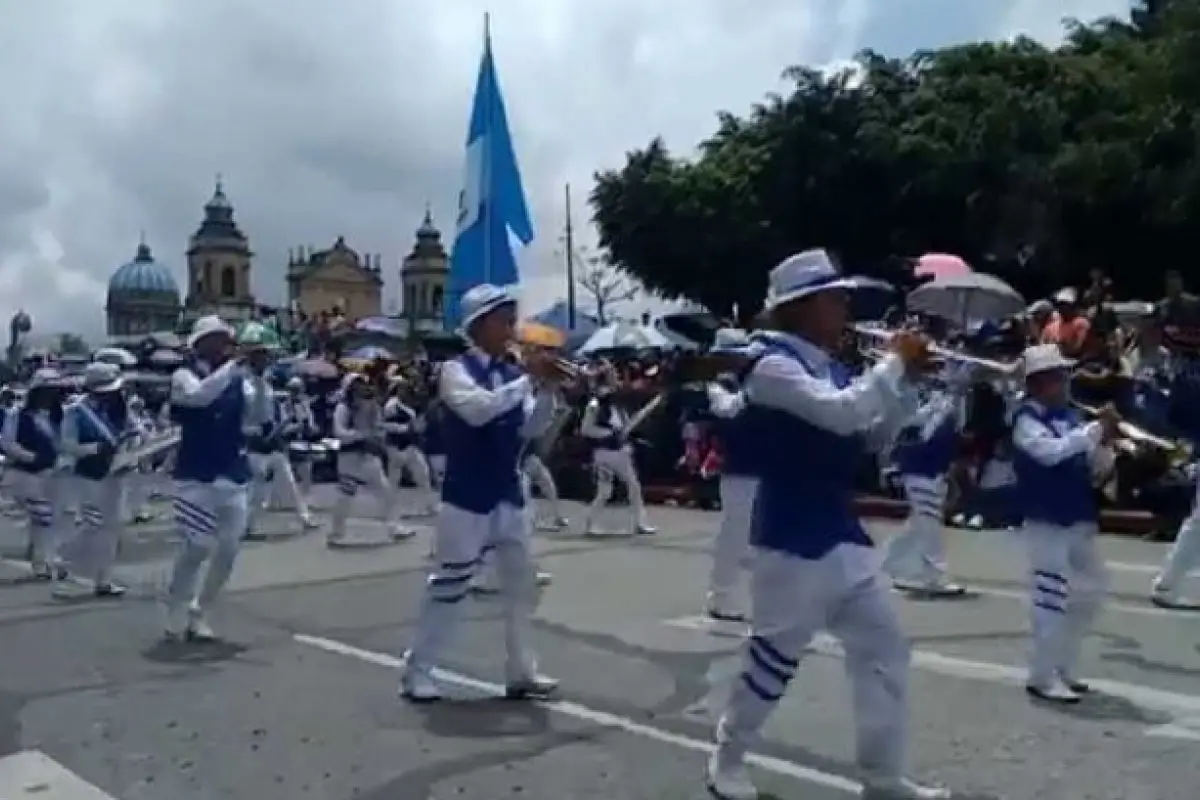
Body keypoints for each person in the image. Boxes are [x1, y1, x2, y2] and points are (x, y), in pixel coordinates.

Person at [706, 250, 948, 800]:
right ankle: (728, 755)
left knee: (885, 651)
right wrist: (890, 366)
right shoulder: (769, 366)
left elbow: (871, 436)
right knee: (773, 662)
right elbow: (840, 412)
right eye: (834, 297)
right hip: (789, 540)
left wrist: (906, 381)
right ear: (800, 307)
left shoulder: (833, 367)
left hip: (842, 534)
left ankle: (883, 779)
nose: (845, 306)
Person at [400, 284, 566, 702]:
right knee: (451, 584)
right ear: (478, 325)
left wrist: (549, 392)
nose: (512, 328)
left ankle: (521, 670)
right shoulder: (454, 371)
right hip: (466, 494)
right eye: (504, 320)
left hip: (509, 493)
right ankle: (418, 669)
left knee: (522, 585)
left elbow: (530, 430)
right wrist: (530, 379)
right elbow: (478, 411)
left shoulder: (513, 375)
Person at [1011, 344, 1117, 701]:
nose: (1066, 382)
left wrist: (1106, 442)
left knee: (1092, 590)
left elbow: (1096, 469)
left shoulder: (1071, 417)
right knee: (1050, 597)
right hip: (1045, 518)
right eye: (1059, 376)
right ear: (1041, 382)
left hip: (1077, 516)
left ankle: (1064, 664)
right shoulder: (1026, 419)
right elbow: (1049, 454)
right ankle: (1041, 675)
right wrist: (1091, 432)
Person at [162, 316, 265, 641]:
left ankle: (200, 611)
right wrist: (236, 367)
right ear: (200, 344)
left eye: (226, 339)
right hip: (195, 476)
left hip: (232, 474)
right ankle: (176, 607)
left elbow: (256, 420)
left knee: (229, 549)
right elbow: (199, 398)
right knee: (196, 546)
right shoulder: (183, 376)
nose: (224, 344)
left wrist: (261, 380)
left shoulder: (239, 380)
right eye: (216, 338)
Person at [883, 361, 973, 597]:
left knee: (917, 525)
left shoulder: (948, 402)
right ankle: (935, 577)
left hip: (934, 468)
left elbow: (958, 427)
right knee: (930, 525)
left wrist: (958, 392)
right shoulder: (917, 399)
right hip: (918, 467)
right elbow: (924, 429)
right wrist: (949, 395)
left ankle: (888, 566)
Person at [54, 362, 134, 599]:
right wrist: (96, 448)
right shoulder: (76, 411)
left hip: (116, 473)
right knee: (93, 525)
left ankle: (104, 580)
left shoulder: (121, 408)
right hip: (88, 475)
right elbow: (67, 445)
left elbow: (133, 431)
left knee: (112, 528)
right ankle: (64, 560)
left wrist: (131, 449)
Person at [704, 328, 761, 622]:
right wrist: (754, 391)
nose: (739, 361)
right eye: (733, 356)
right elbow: (727, 411)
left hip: (763, 468)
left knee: (762, 539)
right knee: (733, 536)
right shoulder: (719, 388)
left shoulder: (752, 383)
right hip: (738, 471)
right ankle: (721, 596)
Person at [1, 368, 69, 580]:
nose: (51, 395)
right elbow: (7, 442)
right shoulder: (18, 416)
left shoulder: (60, 416)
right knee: (43, 518)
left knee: (50, 520)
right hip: (25, 475)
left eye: (54, 391)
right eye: (46, 391)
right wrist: (31, 457)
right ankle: (45, 563)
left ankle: (45, 559)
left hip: (52, 474)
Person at [579, 369, 655, 536]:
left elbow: (625, 427)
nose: (618, 381)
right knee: (612, 490)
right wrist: (608, 433)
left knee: (625, 488)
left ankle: (639, 523)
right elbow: (585, 429)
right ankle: (592, 524)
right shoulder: (596, 403)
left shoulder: (617, 405)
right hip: (605, 453)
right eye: (614, 378)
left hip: (618, 452)